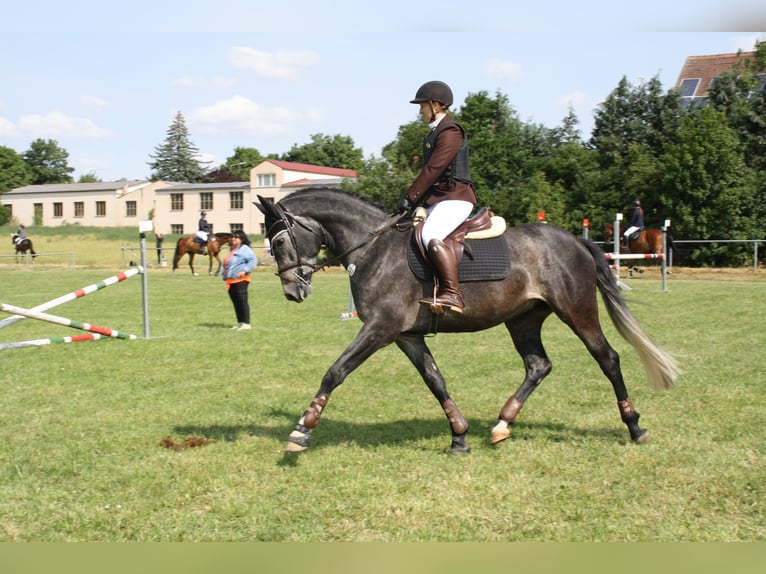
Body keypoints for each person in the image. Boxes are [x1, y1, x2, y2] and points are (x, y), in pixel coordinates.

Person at [397, 80, 477, 314]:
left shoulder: (451, 131)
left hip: (456, 198)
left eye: (422, 106)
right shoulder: (437, 132)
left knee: (430, 234)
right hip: (441, 199)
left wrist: (410, 196)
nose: (420, 111)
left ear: (435, 105)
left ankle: (452, 294)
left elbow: (434, 169)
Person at [221, 229, 256, 330]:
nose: (233, 239)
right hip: (231, 280)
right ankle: (240, 322)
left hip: (241, 280)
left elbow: (253, 260)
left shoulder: (244, 249)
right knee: (236, 302)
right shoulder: (232, 250)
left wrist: (245, 270)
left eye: (236, 237)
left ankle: (246, 323)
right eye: (232, 237)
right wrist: (224, 275)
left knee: (242, 301)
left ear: (241, 239)